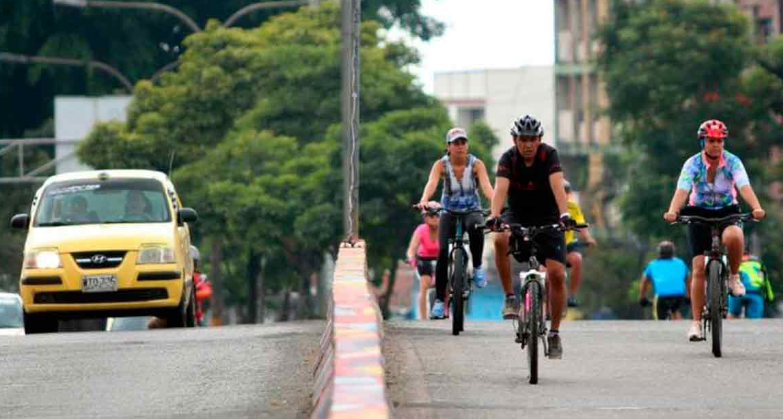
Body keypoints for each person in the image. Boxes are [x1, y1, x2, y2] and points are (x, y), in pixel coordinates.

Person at [663, 119, 766, 340]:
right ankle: (697, 323)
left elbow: (743, 185)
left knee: (735, 235)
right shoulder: (692, 164)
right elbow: (682, 189)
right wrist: (673, 210)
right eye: (711, 141)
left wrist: (756, 207)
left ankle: (734, 276)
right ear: (703, 142)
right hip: (698, 211)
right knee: (698, 266)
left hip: (727, 211)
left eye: (720, 141)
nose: (716, 145)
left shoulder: (732, 162)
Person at [486, 114, 573, 359]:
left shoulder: (549, 155)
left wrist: (565, 214)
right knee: (499, 238)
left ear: (539, 139)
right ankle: (510, 297)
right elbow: (500, 190)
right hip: (517, 215)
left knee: (556, 275)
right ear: (515, 139)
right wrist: (494, 216)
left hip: (549, 216)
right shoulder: (508, 159)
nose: (528, 144)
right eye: (523, 139)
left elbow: (558, 186)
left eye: (532, 139)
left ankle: (554, 333)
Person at [416, 127, 494, 320]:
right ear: (448, 147)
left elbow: (486, 186)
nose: (460, 146)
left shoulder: (476, 164)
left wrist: (496, 205)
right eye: (456, 143)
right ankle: (440, 301)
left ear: (467, 145)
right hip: (448, 211)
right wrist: (425, 199)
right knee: (442, 253)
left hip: (471, 210)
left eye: (463, 142)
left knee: (477, 227)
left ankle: (476, 267)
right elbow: (432, 183)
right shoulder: (441, 165)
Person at [562, 180, 597, 307]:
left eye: (566, 192)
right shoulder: (547, 205)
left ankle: (571, 295)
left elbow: (580, 224)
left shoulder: (572, 206)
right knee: (545, 272)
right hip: (550, 245)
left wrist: (588, 238)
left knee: (577, 260)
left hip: (567, 245)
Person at [405, 204, 442, 320]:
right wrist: (411, 259)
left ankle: (445, 309)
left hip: (441, 259)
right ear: (425, 217)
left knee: (445, 284)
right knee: (424, 285)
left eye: (437, 215)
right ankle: (423, 318)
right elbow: (411, 249)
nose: (435, 218)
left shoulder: (445, 229)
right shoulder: (420, 230)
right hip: (424, 260)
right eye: (431, 215)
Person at [638, 241, 690, 320]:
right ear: (673, 252)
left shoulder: (652, 264)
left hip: (661, 296)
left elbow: (644, 282)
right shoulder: (680, 263)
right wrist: (689, 296)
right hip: (679, 295)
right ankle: (680, 326)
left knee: (660, 320)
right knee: (675, 310)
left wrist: (642, 298)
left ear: (659, 252)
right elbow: (688, 281)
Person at [728, 251, 774, 319]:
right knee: (754, 320)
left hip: (737, 292)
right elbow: (766, 282)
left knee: (733, 314)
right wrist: (769, 297)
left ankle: (732, 324)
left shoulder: (734, 264)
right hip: (755, 293)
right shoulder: (758, 264)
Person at [191, 245, 213, 326]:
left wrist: (192, 296)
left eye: (192, 262)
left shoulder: (200, 277)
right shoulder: (176, 277)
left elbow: (207, 292)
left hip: (196, 317)